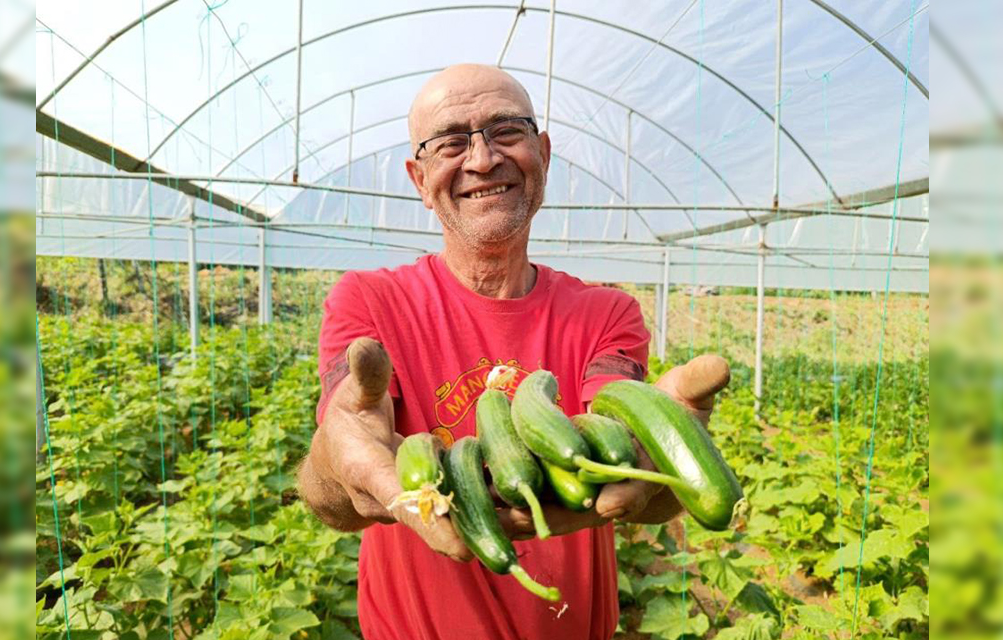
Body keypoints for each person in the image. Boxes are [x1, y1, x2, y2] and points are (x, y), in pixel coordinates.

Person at [296, 64, 730, 640]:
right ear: (418, 178)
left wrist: (666, 448)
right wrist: (338, 456)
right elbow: (335, 500)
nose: (481, 159)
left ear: (543, 154)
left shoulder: (607, 315)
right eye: (450, 142)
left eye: (507, 132)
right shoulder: (370, 303)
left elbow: (618, 454)